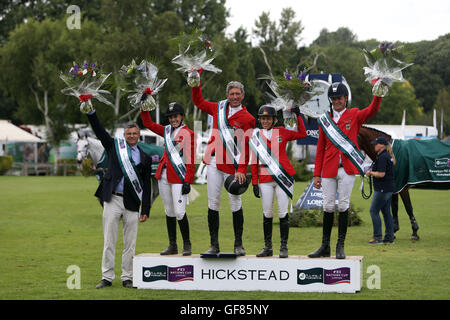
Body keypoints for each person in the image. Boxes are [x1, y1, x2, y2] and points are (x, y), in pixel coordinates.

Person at [308, 82, 383, 259]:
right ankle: (325, 246)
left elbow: (372, 110)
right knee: (327, 206)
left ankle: (340, 246)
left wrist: (378, 93)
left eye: (339, 98)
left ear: (345, 98)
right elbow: (320, 149)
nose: (336, 101)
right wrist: (316, 174)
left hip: (347, 168)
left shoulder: (354, 115)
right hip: (328, 169)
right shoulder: (324, 120)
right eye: (333, 98)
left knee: (343, 206)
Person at [86, 110, 152, 289]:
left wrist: (145, 209)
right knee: (109, 241)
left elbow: (147, 185)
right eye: (128, 133)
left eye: (134, 133)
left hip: (132, 202)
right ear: (124, 135)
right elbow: (100, 131)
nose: (131, 136)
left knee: (130, 243)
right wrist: (91, 113)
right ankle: (106, 277)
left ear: (139, 136)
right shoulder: (114, 146)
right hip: (112, 199)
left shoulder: (145, 158)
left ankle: (127, 277)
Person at [192, 75, 255, 256]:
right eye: (231, 93)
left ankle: (238, 244)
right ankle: (214, 245)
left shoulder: (248, 118)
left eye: (238, 93)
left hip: (233, 164)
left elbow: (245, 146)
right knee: (213, 203)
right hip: (213, 161)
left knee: (235, 202)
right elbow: (198, 101)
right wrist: (195, 79)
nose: (234, 96)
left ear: (242, 95)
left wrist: (242, 169)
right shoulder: (217, 108)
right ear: (227, 95)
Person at [250, 105, 307, 258]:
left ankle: (284, 247)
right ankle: (268, 247)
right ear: (259, 119)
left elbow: (302, 134)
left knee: (283, 213)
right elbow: (253, 161)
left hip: (283, 177)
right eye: (263, 118)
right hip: (265, 179)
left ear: (274, 119)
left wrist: (298, 116)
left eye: (268, 118)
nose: (265, 121)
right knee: (267, 213)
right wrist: (254, 182)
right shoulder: (255, 136)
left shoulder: (281, 131)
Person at [140, 102, 195, 256]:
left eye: (175, 116)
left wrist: (188, 180)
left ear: (182, 116)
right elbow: (147, 123)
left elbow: (190, 159)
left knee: (179, 212)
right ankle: (172, 245)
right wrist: (145, 105)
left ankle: (187, 244)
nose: (173, 119)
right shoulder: (166, 131)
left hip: (178, 176)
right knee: (169, 211)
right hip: (163, 175)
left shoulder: (189, 133)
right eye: (170, 117)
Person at [365, 136, 396, 244]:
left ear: (381, 145)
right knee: (386, 212)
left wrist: (370, 173)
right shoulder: (386, 156)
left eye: (376, 144)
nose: (374, 145)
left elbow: (382, 174)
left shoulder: (383, 157)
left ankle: (377, 237)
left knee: (373, 211)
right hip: (388, 188)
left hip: (383, 189)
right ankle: (389, 237)